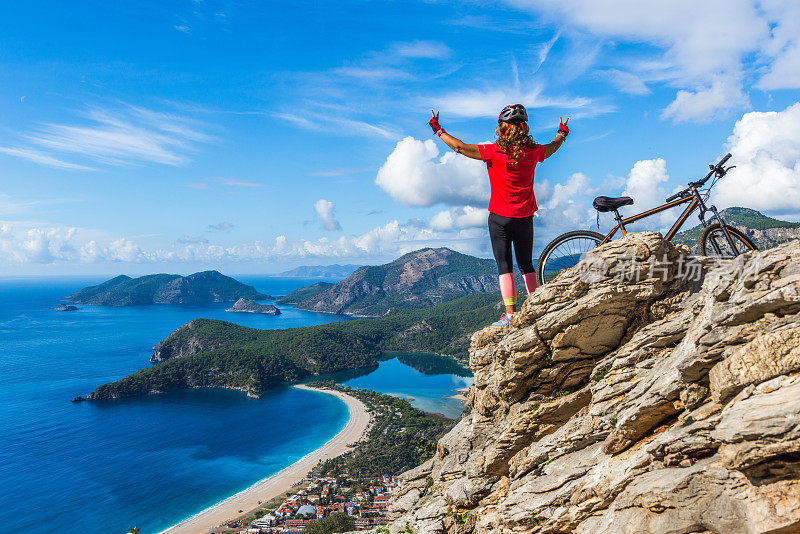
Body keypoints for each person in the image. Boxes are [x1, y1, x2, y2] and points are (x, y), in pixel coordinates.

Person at [428, 104, 569, 327]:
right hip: (525, 216)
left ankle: (511, 315)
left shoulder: (493, 151)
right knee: (526, 265)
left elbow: (460, 147)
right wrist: (562, 132)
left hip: (499, 218)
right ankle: (536, 308)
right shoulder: (534, 152)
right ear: (524, 128)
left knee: (505, 266)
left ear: (502, 129)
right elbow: (553, 147)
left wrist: (438, 129)